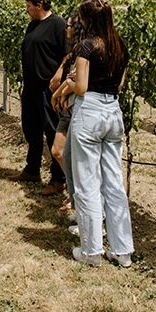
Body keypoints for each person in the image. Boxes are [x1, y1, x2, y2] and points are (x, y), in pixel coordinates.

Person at [58, 0, 134, 268]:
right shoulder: (120, 47)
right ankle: (122, 250)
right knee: (113, 183)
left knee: (87, 183)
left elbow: (81, 86)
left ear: (87, 19)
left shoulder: (86, 47)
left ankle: (91, 251)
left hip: (89, 112)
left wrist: (68, 85)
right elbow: (120, 84)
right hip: (113, 112)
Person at [12, 0, 67, 194]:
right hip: (31, 87)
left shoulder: (58, 24)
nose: (27, 10)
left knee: (52, 132)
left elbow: (67, 54)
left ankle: (58, 179)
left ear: (39, 5)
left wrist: (59, 74)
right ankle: (32, 169)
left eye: (29, 6)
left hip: (48, 89)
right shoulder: (33, 24)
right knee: (31, 129)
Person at [50, 15, 84, 215]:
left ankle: (75, 197)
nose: (66, 29)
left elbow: (76, 81)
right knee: (59, 152)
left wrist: (58, 93)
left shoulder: (83, 51)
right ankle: (73, 194)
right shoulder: (72, 52)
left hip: (73, 109)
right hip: (67, 108)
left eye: (70, 26)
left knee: (62, 152)